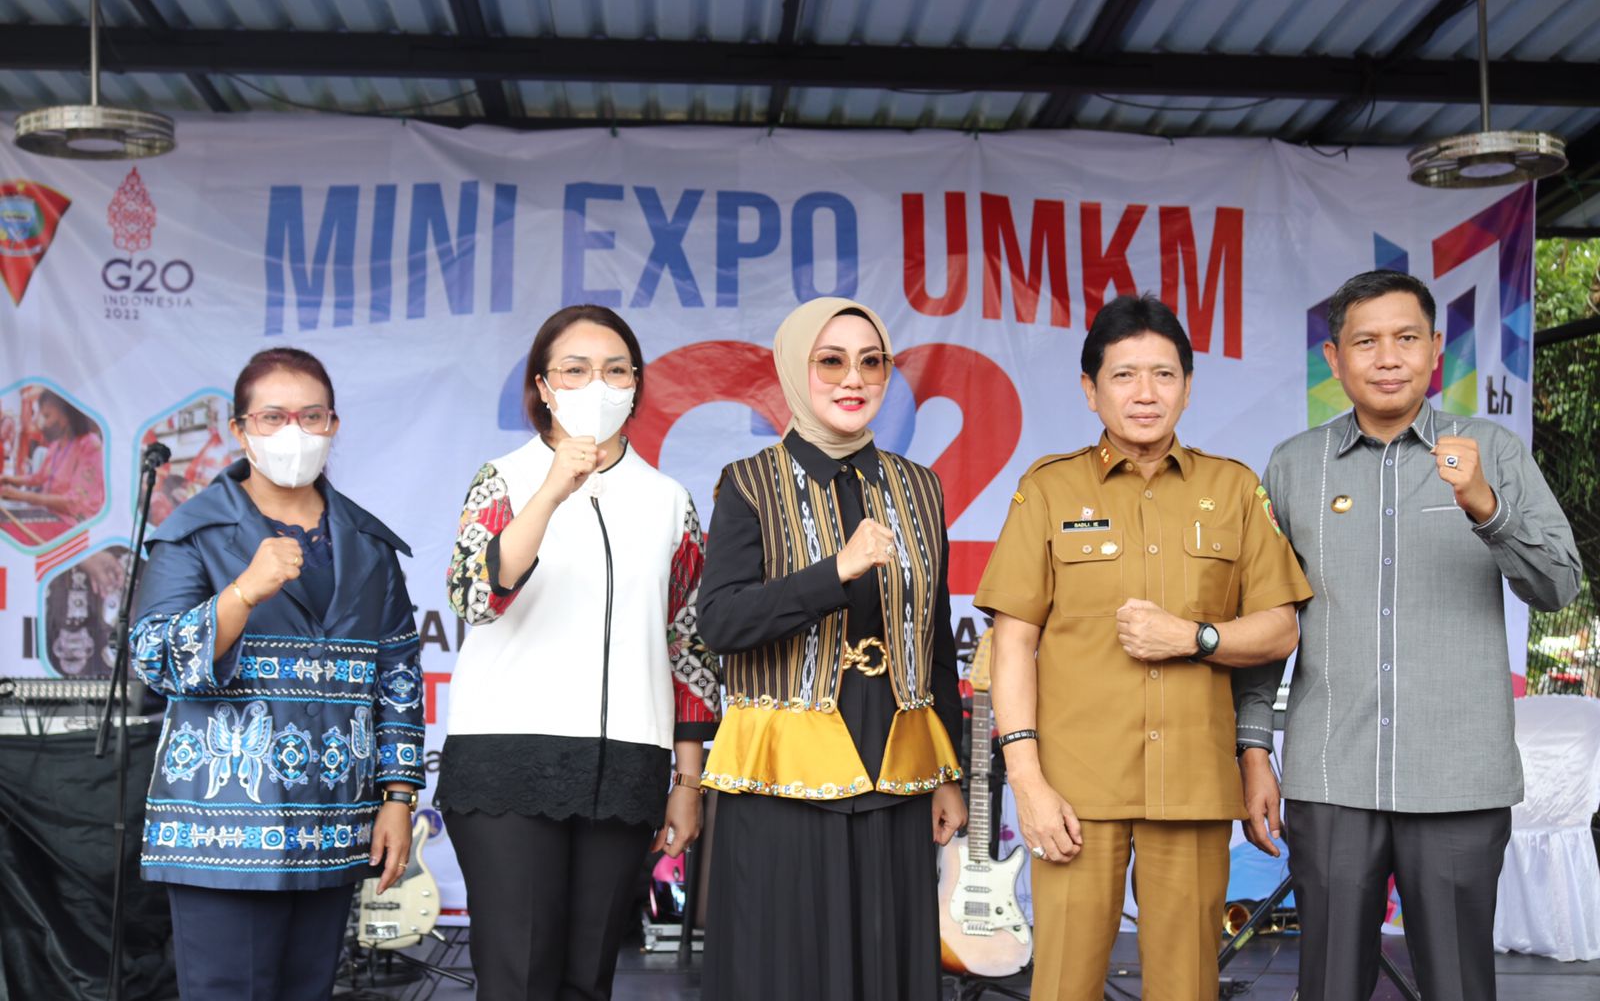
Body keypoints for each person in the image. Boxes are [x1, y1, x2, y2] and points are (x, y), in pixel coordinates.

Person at [1234, 271, 1581, 1001]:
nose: (1388, 357)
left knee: (1458, 983)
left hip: (1458, 778)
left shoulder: (1492, 451)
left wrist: (1484, 505)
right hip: (1332, 777)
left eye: (1406, 338)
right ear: (1334, 359)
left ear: (1435, 349)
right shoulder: (1293, 466)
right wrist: (1254, 749)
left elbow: (1558, 586)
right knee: (1329, 985)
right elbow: (1268, 622)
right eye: (1366, 341)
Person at [975, 294, 1312, 1001]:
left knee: (1187, 987)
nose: (1146, 393)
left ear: (1188, 386)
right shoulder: (1049, 489)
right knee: (1064, 985)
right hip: (1075, 790)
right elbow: (1012, 645)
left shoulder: (1234, 488)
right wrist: (1028, 782)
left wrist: (1194, 637)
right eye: (1123, 375)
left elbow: (1280, 628)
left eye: (1164, 374)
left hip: (1192, 784)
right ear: (1090, 389)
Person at [438, 304, 720, 1001]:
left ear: (636, 385)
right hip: (508, 759)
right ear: (543, 385)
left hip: (626, 766)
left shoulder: (668, 500)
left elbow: (688, 646)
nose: (598, 383)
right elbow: (475, 596)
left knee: (589, 979)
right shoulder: (504, 479)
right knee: (520, 977)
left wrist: (688, 784)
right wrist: (551, 492)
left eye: (615, 370)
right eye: (575, 369)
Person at [130, 347, 424, 1001]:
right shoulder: (195, 532)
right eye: (273, 416)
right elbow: (154, 659)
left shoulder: (368, 544)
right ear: (240, 429)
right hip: (223, 828)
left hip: (335, 823)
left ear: (333, 425)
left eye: (311, 416)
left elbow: (400, 675)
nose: (294, 431)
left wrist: (398, 797)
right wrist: (241, 594)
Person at [698, 298, 967, 1001]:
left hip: (894, 767)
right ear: (795, 368)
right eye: (831, 361)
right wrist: (835, 573)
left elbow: (935, 639)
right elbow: (719, 622)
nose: (854, 378)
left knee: (886, 963)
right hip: (785, 776)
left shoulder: (919, 487)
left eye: (871, 362)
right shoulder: (749, 484)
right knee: (788, 967)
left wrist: (950, 774)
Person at [0, 388, 105, 529]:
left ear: (66, 417)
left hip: (75, 527)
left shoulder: (89, 444)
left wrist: (22, 496)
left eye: (47, 416)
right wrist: (8, 479)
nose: (41, 422)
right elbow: (38, 477)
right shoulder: (56, 445)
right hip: (50, 516)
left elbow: (76, 502)